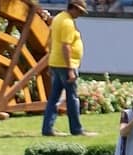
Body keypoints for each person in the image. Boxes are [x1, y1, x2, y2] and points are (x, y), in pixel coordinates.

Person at [41, 0, 97, 137]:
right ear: (74, 8)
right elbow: (66, 46)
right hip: (66, 65)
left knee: (54, 98)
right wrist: (70, 69)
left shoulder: (58, 18)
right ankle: (76, 129)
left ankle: (47, 128)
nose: (80, 14)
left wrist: (50, 63)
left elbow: (50, 42)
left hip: (56, 63)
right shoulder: (67, 23)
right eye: (80, 11)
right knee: (72, 98)